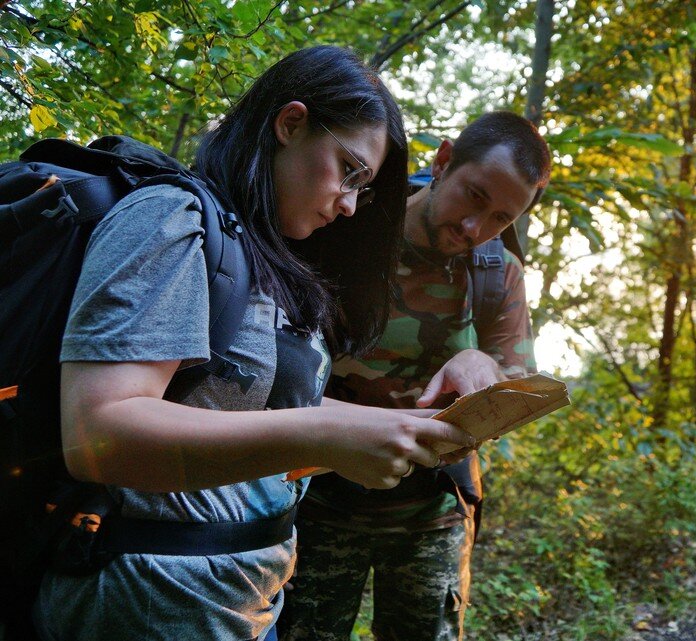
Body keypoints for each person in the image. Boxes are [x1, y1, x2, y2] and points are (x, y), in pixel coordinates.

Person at [32, 46, 474, 641]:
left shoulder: (266, 255)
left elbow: (248, 412)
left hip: (239, 605)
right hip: (148, 603)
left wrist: (396, 427)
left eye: (362, 187)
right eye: (348, 169)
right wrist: (329, 436)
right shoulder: (169, 216)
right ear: (290, 124)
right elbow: (98, 435)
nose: (348, 204)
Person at [281, 111, 552, 641]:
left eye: (501, 218)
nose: (477, 229)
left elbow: (521, 383)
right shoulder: (345, 228)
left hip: (430, 506)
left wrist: (485, 365)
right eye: (475, 197)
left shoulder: (499, 273)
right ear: (444, 160)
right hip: (315, 494)